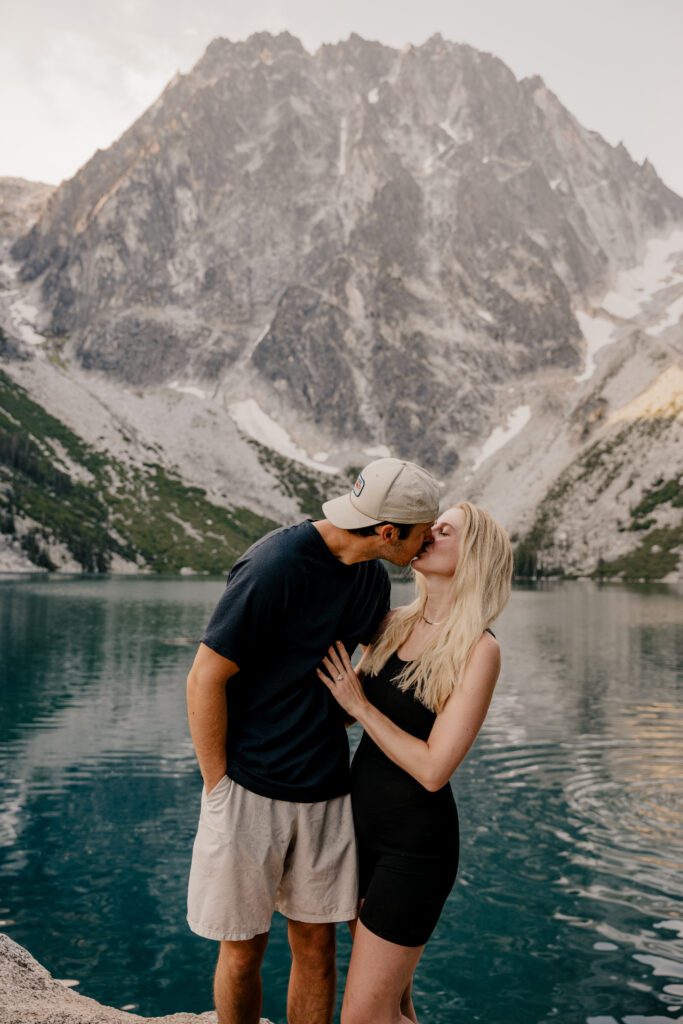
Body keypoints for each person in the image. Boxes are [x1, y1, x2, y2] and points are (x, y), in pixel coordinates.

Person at [185, 457, 440, 1024]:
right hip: (246, 788)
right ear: (388, 531)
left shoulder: (371, 578)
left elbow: (366, 671)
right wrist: (217, 786)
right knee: (242, 948)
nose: (430, 539)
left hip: (325, 789)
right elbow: (205, 676)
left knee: (318, 950)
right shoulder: (275, 564)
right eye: (425, 530)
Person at [317, 501, 513, 1024]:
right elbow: (343, 708)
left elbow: (433, 768)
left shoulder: (478, 649)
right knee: (394, 1007)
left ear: (472, 554)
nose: (428, 533)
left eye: (444, 530)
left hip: (414, 849)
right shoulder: (394, 622)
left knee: (363, 1016)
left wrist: (358, 705)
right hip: (359, 833)